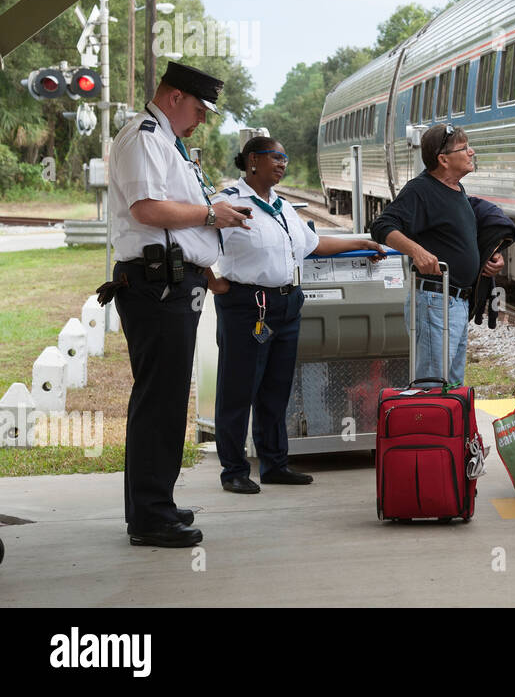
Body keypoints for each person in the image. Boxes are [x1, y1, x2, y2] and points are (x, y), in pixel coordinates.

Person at [101, 61, 252, 548]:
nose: (202, 119)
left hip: (169, 284)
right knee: (159, 402)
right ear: (173, 97)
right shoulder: (145, 136)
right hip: (155, 286)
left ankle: (155, 503)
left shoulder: (166, 140)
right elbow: (147, 209)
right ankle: (149, 516)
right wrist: (213, 213)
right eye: (199, 108)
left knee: (165, 400)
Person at [209, 136, 382, 495]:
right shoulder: (227, 203)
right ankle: (234, 470)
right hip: (247, 305)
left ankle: (274, 464)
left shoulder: (283, 207)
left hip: (287, 305)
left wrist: (360, 242)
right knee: (238, 388)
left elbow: (313, 244)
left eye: (286, 158)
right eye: (276, 157)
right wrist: (213, 282)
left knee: (276, 389)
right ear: (253, 160)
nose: (282, 163)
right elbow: (192, 242)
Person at [370, 124, 505, 387]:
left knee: (451, 385)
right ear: (443, 159)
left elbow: (454, 238)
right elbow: (382, 225)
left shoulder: (456, 190)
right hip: (435, 300)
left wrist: (487, 259)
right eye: (464, 148)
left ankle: (450, 429)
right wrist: (416, 251)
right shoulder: (420, 189)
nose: (471, 151)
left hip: (454, 301)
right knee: (432, 385)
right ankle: (427, 428)